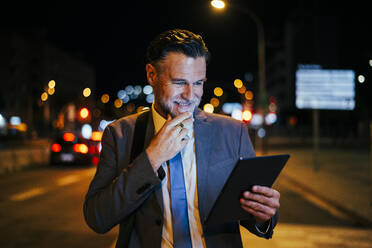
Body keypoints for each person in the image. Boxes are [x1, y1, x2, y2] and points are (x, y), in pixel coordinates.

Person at [84, 28, 280, 248]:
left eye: (198, 83)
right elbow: (97, 218)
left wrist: (263, 215)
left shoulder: (232, 132)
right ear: (152, 75)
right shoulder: (120, 134)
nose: (190, 95)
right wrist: (152, 158)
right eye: (179, 82)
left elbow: (252, 215)